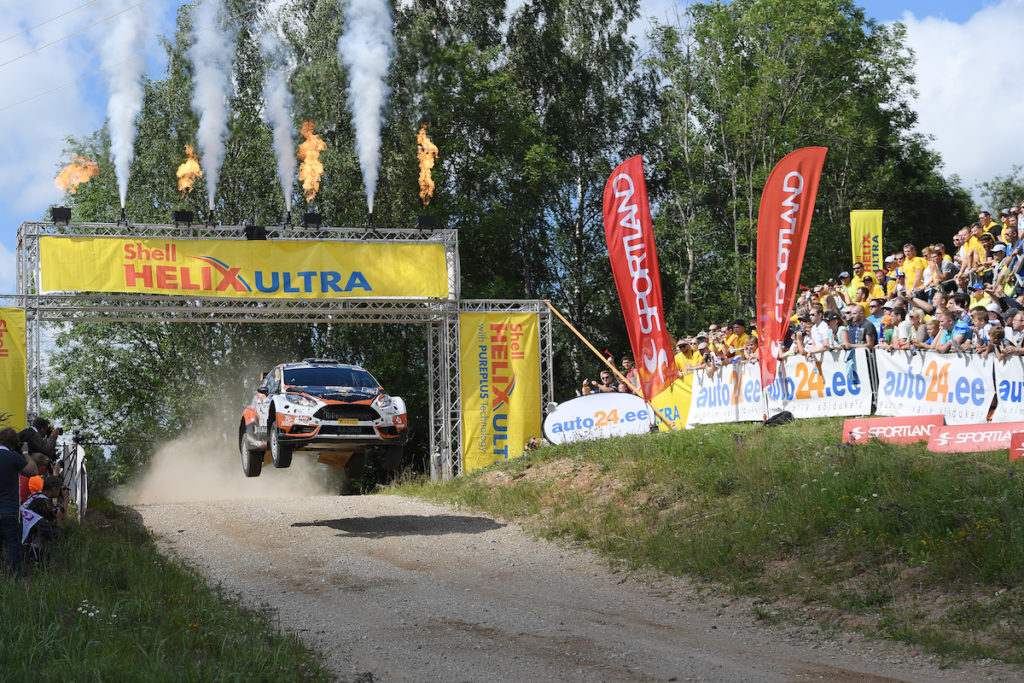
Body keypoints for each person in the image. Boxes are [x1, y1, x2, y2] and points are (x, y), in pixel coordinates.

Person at [1, 427, 38, 576]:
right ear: (13, 444)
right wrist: (24, 452)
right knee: (12, 547)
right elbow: (33, 470)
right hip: (10, 510)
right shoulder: (12, 457)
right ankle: (13, 579)